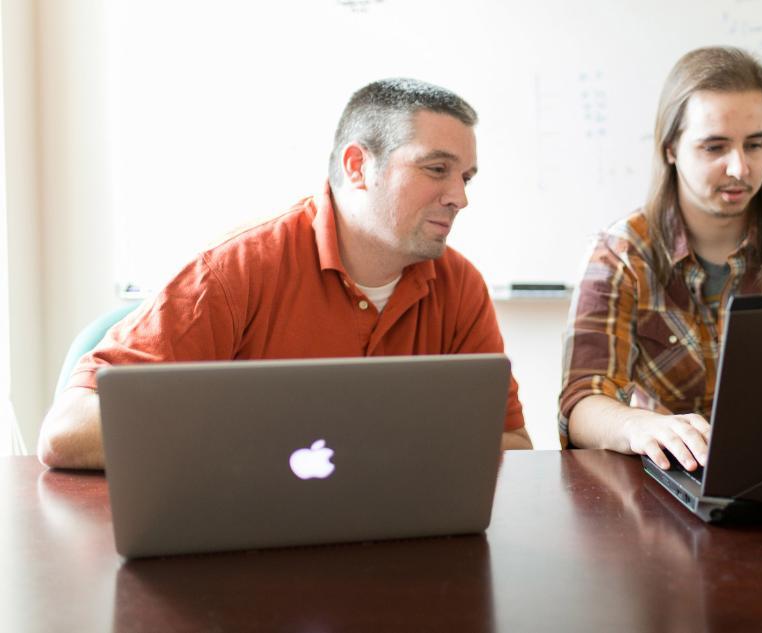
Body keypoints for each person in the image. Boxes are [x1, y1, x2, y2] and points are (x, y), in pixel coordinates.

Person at [39, 78, 532, 469]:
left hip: (397, 550)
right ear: (358, 167)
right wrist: (261, 443)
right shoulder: (237, 268)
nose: (459, 197)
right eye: (436, 169)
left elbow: (511, 441)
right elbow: (68, 431)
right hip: (242, 553)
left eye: (465, 177)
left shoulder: (460, 285)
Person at [559, 47, 762, 471]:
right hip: (662, 491)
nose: (739, 168)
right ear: (670, 148)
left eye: (756, 144)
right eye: (714, 147)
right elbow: (582, 402)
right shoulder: (619, 253)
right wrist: (637, 426)